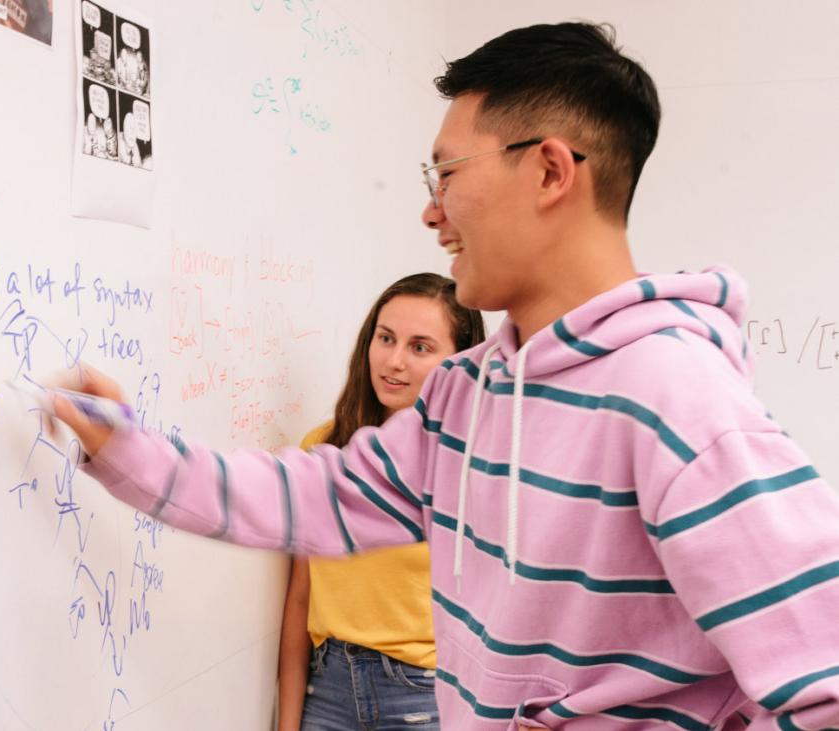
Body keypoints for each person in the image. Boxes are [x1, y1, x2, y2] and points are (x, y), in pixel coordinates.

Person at [53, 22, 839, 729]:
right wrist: (127, 450)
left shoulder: (679, 396)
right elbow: (312, 494)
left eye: (447, 174)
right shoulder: (465, 396)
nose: (432, 213)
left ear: (551, 172)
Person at [278, 273, 485, 731]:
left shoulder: (474, 466)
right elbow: (299, 600)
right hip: (326, 691)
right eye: (386, 338)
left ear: (459, 361)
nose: (393, 362)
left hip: (426, 697)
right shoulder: (325, 447)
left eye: (420, 347)